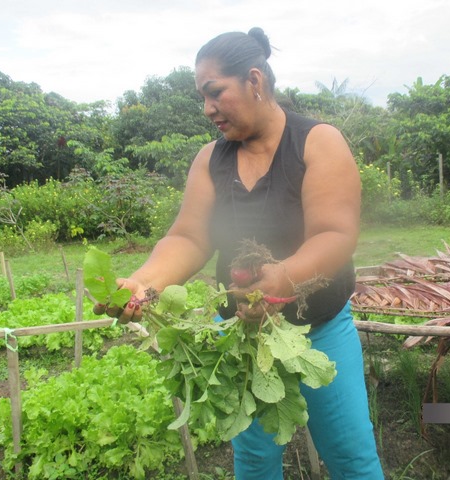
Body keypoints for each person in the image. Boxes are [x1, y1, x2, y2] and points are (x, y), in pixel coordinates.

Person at [110, 27, 384, 479]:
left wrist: (284, 278)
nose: (207, 109)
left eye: (214, 92)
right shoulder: (210, 160)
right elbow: (189, 238)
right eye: (202, 96)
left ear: (254, 80)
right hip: (240, 336)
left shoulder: (317, 142)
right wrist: (146, 283)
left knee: (351, 458)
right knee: (254, 459)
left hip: (320, 330)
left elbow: (335, 235)